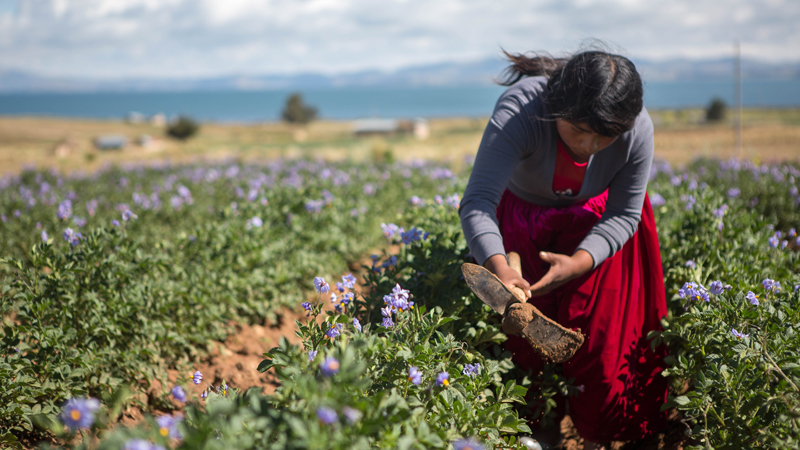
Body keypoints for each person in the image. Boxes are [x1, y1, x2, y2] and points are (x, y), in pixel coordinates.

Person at [459, 49, 669, 450]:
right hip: (524, 220)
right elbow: (479, 201)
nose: (588, 144)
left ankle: (599, 436)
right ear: (557, 106)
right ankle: (541, 432)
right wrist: (501, 270)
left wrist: (579, 261)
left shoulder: (637, 128)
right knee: (524, 343)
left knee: (604, 344)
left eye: (604, 136)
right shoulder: (522, 110)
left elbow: (624, 214)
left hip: (600, 228)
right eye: (577, 129)